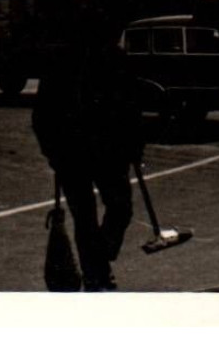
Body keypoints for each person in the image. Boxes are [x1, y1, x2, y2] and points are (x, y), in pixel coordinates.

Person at [31, 19, 144, 291]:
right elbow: (44, 115)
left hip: (98, 153)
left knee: (111, 212)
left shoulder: (114, 60)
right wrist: (52, 152)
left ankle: (98, 262)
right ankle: (97, 273)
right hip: (84, 154)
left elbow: (132, 109)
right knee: (96, 215)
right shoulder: (67, 63)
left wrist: (135, 148)